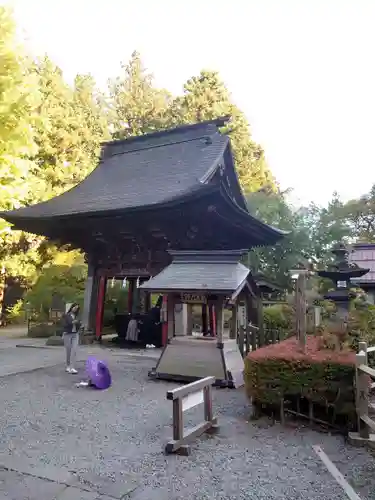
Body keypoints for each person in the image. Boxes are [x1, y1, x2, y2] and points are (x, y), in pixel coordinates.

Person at [62, 303, 81, 374]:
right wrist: (72, 322)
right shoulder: (66, 315)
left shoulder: (77, 316)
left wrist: (79, 323)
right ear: (71, 307)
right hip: (67, 334)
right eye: (74, 307)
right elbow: (64, 325)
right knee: (68, 351)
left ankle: (72, 367)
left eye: (77, 308)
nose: (75, 309)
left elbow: (79, 324)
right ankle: (68, 366)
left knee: (74, 350)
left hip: (75, 334)